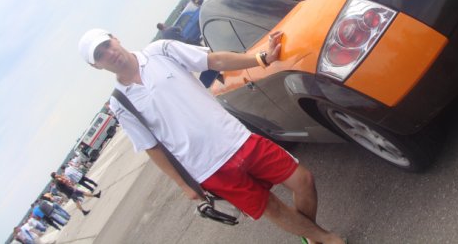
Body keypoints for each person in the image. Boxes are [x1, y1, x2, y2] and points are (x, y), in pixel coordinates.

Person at [78, 28, 345, 244]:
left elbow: (214, 61)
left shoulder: (160, 51)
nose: (109, 53)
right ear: (96, 66)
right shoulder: (120, 103)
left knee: (303, 180)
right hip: (207, 168)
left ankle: (312, 236)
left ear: (116, 38)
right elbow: (152, 147)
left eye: (107, 44)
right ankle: (325, 238)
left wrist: (261, 58)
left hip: (237, 139)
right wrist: (184, 185)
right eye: (100, 55)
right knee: (271, 208)